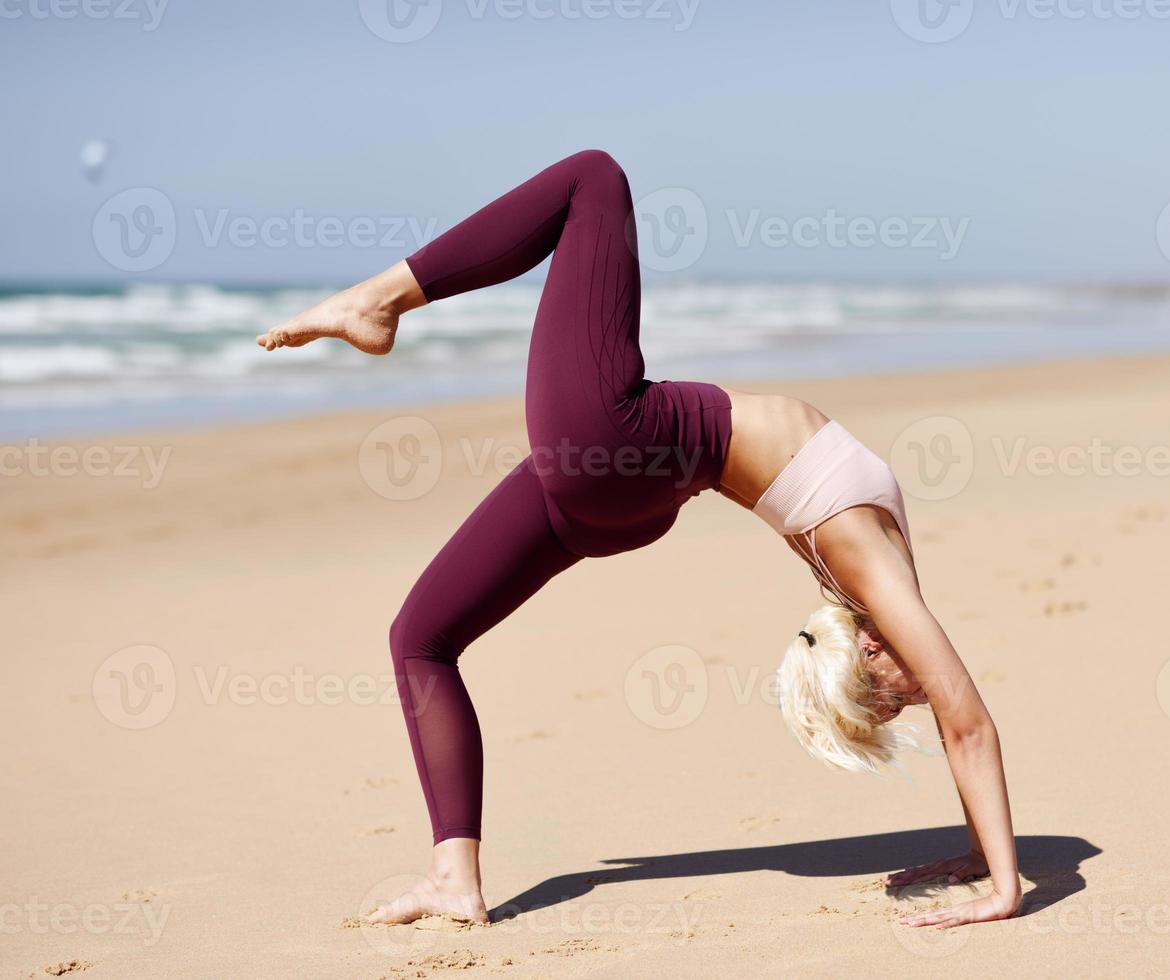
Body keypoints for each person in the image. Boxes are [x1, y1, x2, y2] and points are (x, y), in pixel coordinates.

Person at [258, 150, 1018, 930]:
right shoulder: (870, 586)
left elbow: (968, 725)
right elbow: (961, 726)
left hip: (618, 444)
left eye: (898, 697)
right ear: (865, 649)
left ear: (864, 650)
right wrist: (981, 854)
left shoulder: (866, 571)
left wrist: (1002, 885)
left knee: (594, 178)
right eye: (903, 697)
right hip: (632, 497)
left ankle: (376, 301)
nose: (920, 690)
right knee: (420, 637)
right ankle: (453, 877)